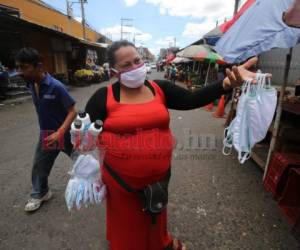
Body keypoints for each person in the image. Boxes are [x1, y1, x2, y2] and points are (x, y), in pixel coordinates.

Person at [85, 40, 258, 250]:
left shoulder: (160, 89)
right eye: (126, 65)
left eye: (137, 61)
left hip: (158, 179)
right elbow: (82, 136)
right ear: (114, 72)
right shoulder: (103, 98)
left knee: (155, 216)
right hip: (122, 184)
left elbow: (192, 99)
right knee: (128, 225)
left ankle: (159, 244)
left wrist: (225, 85)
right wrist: (84, 171)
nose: (135, 68)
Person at [15, 48, 77, 212]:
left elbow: (73, 111)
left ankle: (103, 186)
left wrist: (61, 132)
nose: (20, 72)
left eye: (24, 67)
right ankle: (40, 193)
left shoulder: (56, 87)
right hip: (48, 136)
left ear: (39, 67)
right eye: (18, 67)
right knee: (39, 166)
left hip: (67, 134)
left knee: (84, 162)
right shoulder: (30, 83)